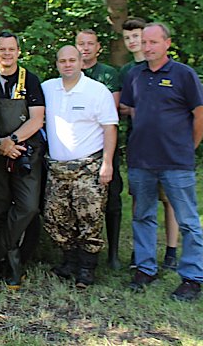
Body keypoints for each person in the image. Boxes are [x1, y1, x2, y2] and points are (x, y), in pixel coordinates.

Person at [121, 23, 203, 302]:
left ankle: (192, 277)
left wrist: (186, 148)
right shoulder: (135, 75)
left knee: (188, 221)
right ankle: (145, 269)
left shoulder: (184, 74)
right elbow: (133, 111)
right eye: (144, 42)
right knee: (142, 216)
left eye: (153, 42)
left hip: (176, 162)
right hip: (141, 161)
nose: (147, 47)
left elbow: (202, 116)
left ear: (166, 44)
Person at [0, 31, 45, 289]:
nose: (7, 53)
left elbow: (37, 119)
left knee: (28, 207)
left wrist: (11, 140)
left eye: (11, 49)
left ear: (18, 51)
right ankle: (12, 266)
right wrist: (0, 145)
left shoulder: (31, 80)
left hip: (25, 153)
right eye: (2, 49)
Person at [42, 46, 118, 288]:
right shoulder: (48, 89)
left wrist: (107, 163)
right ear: (56, 64)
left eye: (72, 60)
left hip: (89, 166)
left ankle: (87, 269)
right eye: (62, 61)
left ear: (81, 62)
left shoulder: (97, 91)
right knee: (56, 218)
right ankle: (69, 261)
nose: (67, 65)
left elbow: (110, 128)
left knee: (90, 217)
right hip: (57, 168)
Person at [119, 18, 179, 271]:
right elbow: (123, 106)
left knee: (170, 200)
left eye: (138, 37)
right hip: (139, 144)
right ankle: (141, 252)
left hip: (168, 148)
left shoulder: (172, 69)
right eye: (129, 38)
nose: (134, 42)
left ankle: (172, 251)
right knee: (140, 200)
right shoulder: (127, 72)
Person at [75, 30, 123, 270]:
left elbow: (110, 110)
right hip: (77, 151)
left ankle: (112, 252)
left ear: (98, 47)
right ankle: (76, 253)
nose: (85, 48)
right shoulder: (69, 71)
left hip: (104, 146)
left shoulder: (108, 74)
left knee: (112, 200)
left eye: (90, 44)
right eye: (80, 44)